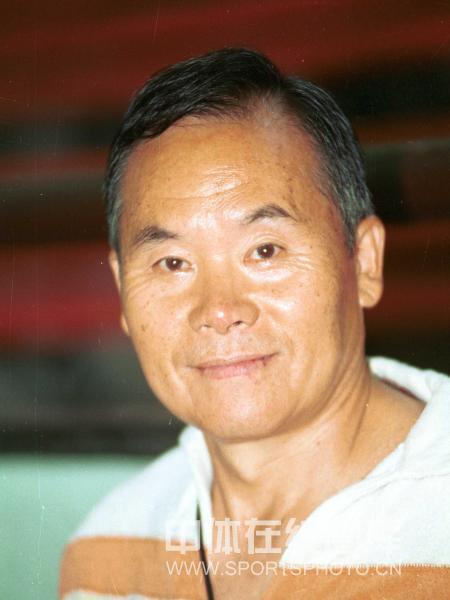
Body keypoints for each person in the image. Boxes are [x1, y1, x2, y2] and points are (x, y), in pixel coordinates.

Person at [59, 48, 450, 599]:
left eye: (265, 250)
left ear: (363, 261)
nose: (219, 311)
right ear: (123, 289)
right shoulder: (108, 553)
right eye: (173, 263)